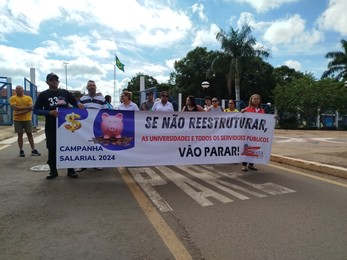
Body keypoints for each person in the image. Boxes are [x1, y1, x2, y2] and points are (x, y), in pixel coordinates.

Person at [33, 73, 84, 179]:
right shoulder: (43, 95)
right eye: (51, 80)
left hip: (66, 126)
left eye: (56, 80)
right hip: (51, 126)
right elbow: (36, 110)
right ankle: (53, 171)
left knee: (68, 147)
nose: (54, 81)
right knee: (52, 148)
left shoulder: (65, 92)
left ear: (58, 82)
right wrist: (49, 112)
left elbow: (75, 103)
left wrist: (79, 105)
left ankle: (70, 170)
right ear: (47, 82)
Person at [76, 80, 108, 172]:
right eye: (90, 85)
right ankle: (82, 164)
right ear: (87, 88)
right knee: (84, 144)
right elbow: (79, 111)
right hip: (85, 126)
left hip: (98, 126)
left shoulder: (102, 99)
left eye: (93, 85)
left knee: (97, 144)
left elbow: (107, 111)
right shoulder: (82, 99)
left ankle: (97, 163)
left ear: (96, 87)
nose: (92, 87)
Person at [10, 85, 41, 157]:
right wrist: (27, 108)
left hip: (27, 119)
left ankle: (33, 150)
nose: (18, 90)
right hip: (17, 120)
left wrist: (20, 112)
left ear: (22, 90)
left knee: (29, 134)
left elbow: (31, 108)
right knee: (20, 135)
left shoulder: (28, 98)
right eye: (17, 89)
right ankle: (21, 150)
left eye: (19, 89)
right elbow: (15, 108)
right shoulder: (13, 98)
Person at [240, 94, 265, 172]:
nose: (256, 100)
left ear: (260, 100)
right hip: (248, 133)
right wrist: (242, 112)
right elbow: (241, 119)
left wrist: (273, 118)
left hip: (257, 134)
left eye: (258, 99)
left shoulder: (262, 110)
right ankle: (244, 165)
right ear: (251, 100)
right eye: (254, 99)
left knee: (254, 149)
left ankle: (251, 164)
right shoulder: (247, 109)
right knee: (247, 148)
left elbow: (265, 120)